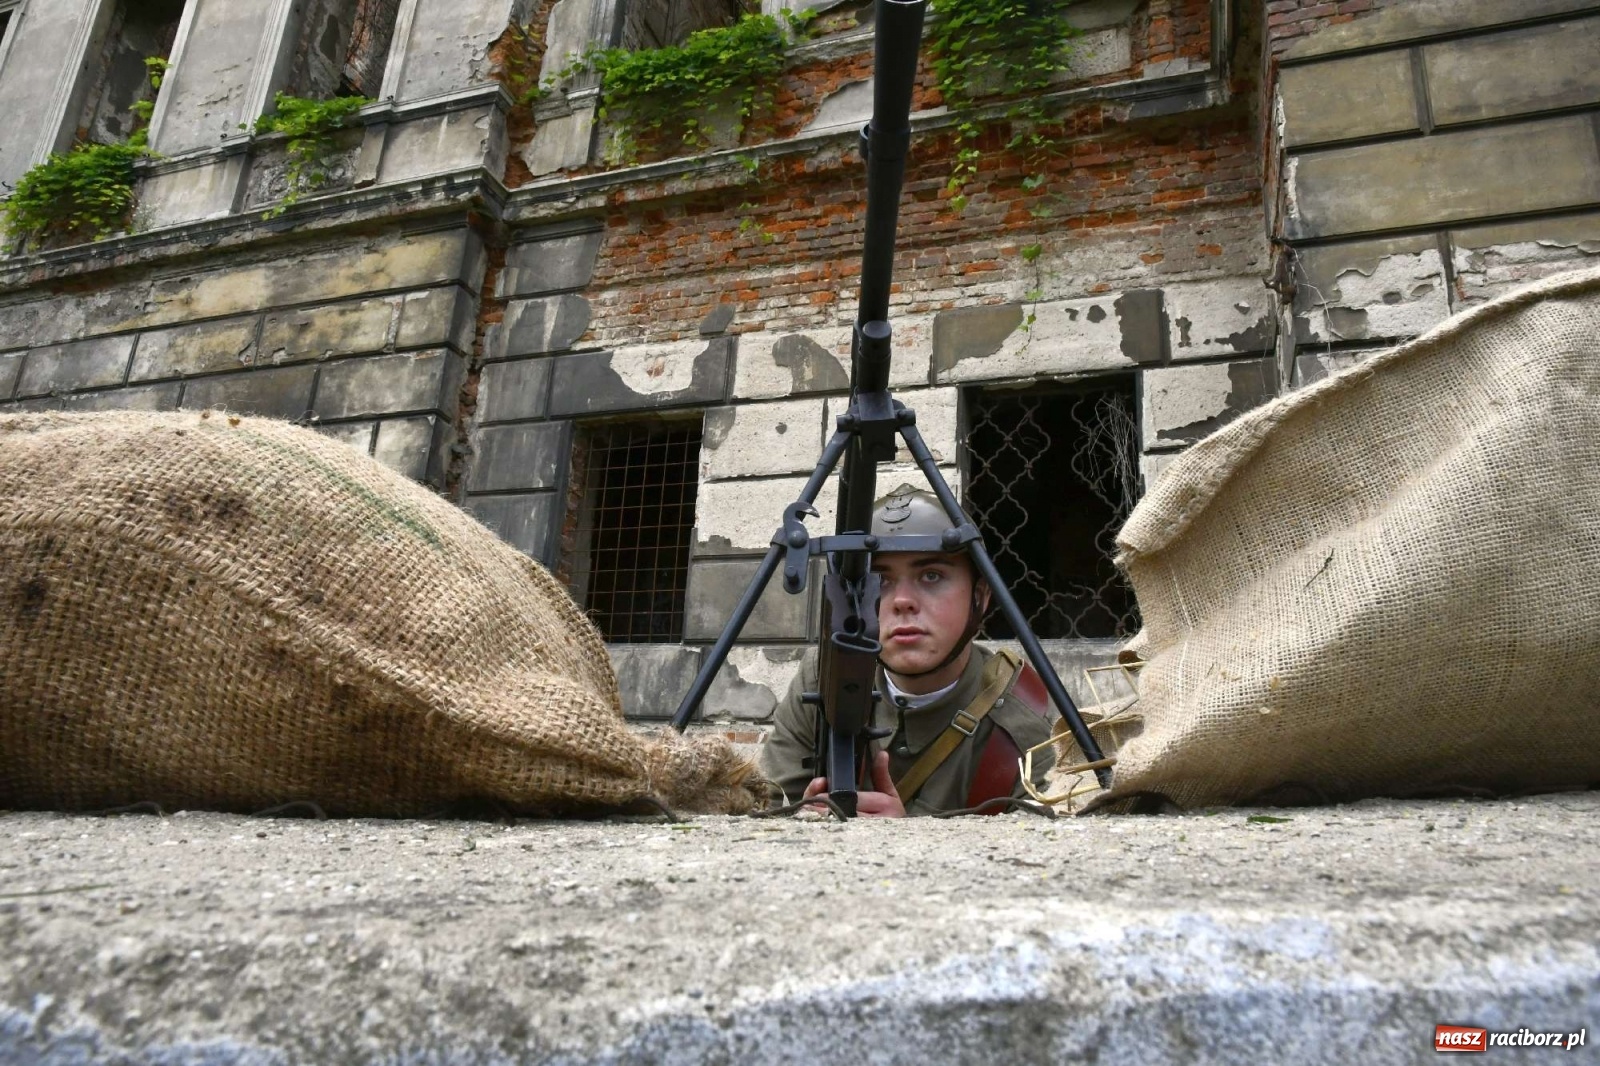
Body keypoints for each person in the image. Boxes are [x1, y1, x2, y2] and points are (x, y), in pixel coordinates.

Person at [759, 484, 1057, 816]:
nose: (902, 602)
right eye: (880, 580)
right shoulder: (822, 677)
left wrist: (908, 836)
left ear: (981, 597)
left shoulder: (1023, 719)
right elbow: (764, 807)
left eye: (931, 575)